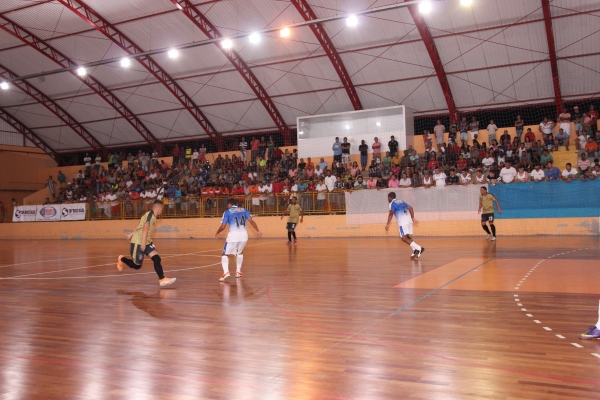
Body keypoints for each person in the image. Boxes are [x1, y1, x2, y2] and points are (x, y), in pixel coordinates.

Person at [117, 200, 176, 287]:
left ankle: (162, 279)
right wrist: (143, 243)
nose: (162, 211)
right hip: (139, 242)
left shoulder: (150, 215)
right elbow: (145, 229)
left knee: (156, 258)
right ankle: (122, 259)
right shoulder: (150, 216)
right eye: (162, 209)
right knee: (137, 266)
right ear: (159, 208)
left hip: (146, 241)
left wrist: (131, 233)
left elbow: (140, 226)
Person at [215, 198, 262, 281]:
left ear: (229, 204)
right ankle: (238, 271)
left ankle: (226, 272)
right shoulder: (244, 210)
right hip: (244, 236)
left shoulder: (227, 212)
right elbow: (251, 221)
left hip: (233, 236)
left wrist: (217, 232)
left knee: (224, 254)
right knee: (240, 252)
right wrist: (258, 231)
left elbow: (223, 227)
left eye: (227, 205)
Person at [385, 192, 424, 259]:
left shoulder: (392, 203)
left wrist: (387, 224)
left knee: (403, 238)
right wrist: (413, 218)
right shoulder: (401, 201)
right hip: (409, 220)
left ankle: (419, 248)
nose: (388, 200)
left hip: (402, 221)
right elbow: (411, 208)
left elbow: (391, 214)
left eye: (388, 198)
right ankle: (415, 250)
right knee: (407, 236)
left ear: (389, 198)